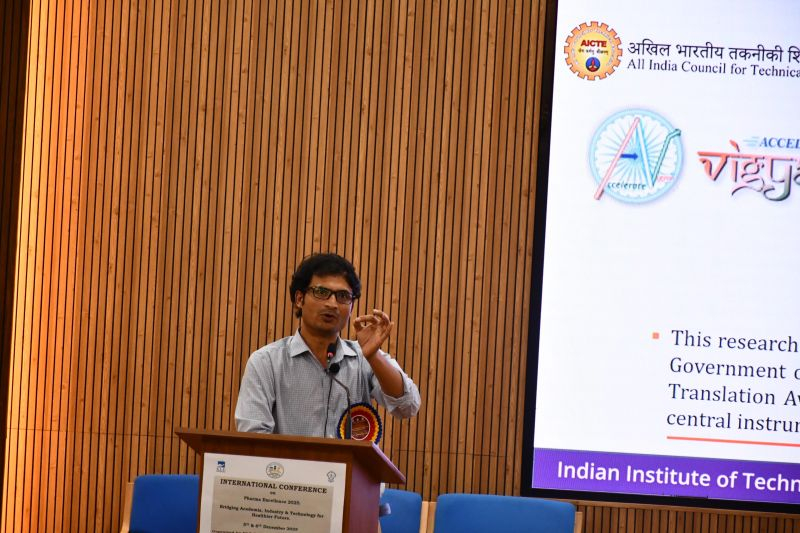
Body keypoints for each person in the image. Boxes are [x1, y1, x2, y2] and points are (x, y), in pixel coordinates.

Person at [235, 253, 421, 437]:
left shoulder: (364, 357)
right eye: (321, 293)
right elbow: (253, 438)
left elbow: (408, 406)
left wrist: (374, 357)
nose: (332, 304)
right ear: (299, 299)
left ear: (351, 306)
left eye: (343, 296)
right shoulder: (266, 362)